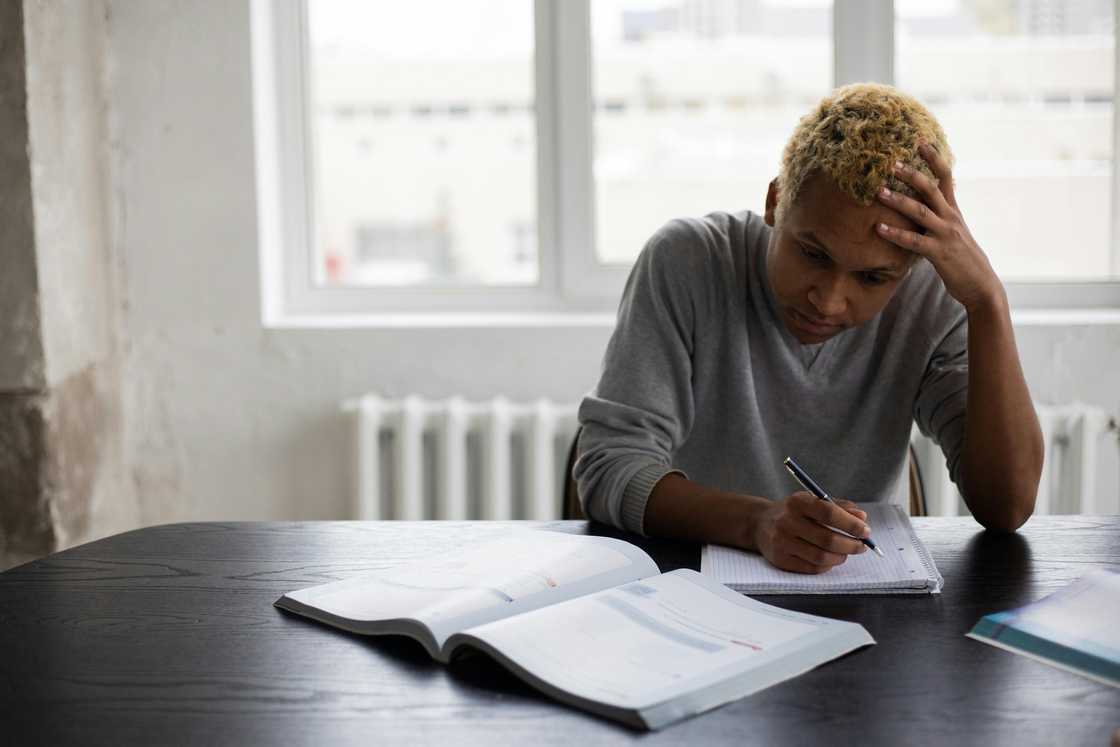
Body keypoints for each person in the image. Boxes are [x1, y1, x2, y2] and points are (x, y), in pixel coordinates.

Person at [574, 83, 1044, 574]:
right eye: (813, 254)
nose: (828, 299)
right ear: (776, 200)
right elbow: (610, 468)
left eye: (873, 278)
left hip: (863, 593)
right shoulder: (688, 261)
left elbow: (1007, 507)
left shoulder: (932, 295)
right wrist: (757, 522)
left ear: (909, 263)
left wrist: (987, 301)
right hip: (693, 591)